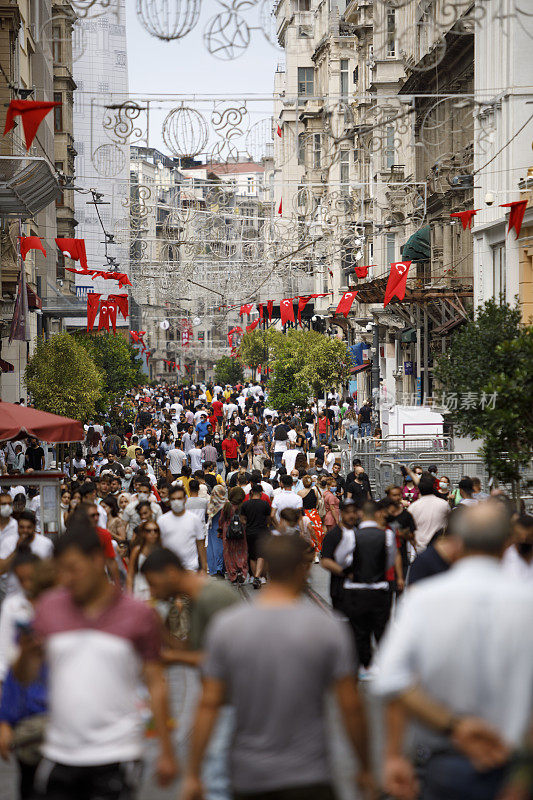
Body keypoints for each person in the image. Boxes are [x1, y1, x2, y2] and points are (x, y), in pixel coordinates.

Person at [180, 535, 373, 800]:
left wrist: (192, 774)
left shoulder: (228, 627)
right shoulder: (328, 628)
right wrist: (365, 767)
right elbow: (350, 706)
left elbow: (209, 704)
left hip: (250, 776)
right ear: (302, 569)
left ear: (267, 566)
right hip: (310, 775)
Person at [374, 502, 533, 800]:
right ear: (506, 544)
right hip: (513, 764)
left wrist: (454, 727)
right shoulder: (527, 602)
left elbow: (390, 679)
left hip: (444, 763)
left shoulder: (424, 600)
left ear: (456, 543)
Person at [13, 524, 178, 799]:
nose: (66, 578)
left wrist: (167, 750)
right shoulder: (49, 609)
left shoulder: (137, 614)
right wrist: (27, 654)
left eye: (73, 568)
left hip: (117, 752)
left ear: (96, 560)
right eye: (60, 570)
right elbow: (25, 675)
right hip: (60, 751)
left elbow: (156, 682)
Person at [140, 547, 238, 666]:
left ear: (171, 574)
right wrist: (160, 628)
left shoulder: (212, 597)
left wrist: (171, 657)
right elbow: (192, 648)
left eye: (153, 584)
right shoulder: (193, 599)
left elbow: (226, 659)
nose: (152, 593)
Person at [342, 501, 398, 673]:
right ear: (377, 514)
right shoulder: (387, 535)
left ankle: (364, 664)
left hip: (356, 588)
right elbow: (390, 560)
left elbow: (344, 560)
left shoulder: (352, 535)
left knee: (360, 630)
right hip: (379, 587)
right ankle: (386, 665)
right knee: (381, 628)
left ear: (361, 514)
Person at [157, 484, 207, 572]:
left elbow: (200, 545)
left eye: (179, 498)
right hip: (169, 569)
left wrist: (203, 568)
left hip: (191, 569)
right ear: (169, 500)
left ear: (185, 499)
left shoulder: (195, 520)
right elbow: (159, 545)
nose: (176, 502)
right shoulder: (162, 521)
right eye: (173, 499)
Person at [320, 499, 358, 610]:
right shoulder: (333, 535)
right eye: (348, 512)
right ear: (341, 513)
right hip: (340, 589)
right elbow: (325, 561)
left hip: (359, 590)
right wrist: (346, 573)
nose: (351, 515)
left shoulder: (359, 532)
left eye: (354, 512)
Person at [408, 473, 450, 552]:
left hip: (419, 547)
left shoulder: (413, 507)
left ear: (419, 489)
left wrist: (415, 545)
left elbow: (409, 531)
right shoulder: (444, 504)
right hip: (439, 548)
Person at [240, 483, 271, 589]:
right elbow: (268, 519)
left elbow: (242, 519)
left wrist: (248, 523)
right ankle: (258, 576)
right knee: (261, 555)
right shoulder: (265, 504)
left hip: (249, 532)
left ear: (251, 492)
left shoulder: (245, 504)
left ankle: (254, 577)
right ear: (261, 493)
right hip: (262, 532)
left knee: (252, 556)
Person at [218, 487, 248, 584]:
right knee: (241, 551)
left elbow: (221, 519)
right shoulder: (243, 506)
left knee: (229, 553)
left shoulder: (227, 506)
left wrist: (220, 531)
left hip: (228, 531)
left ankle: (233, 573)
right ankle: (241, 571)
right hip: (241, 530)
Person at [127, 520, 161, 600]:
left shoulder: (161, 550)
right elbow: (130, 574)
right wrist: (129, 595)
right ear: (143, 533)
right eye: (148, 531)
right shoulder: (137, 551)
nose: (152, 533)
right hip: (140, 590)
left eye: (155, 531)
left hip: (156, 591)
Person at [501, 514, 533, 583]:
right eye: (519, 537)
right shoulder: (503, 559)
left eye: (529, 537)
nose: (523, 540)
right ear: (512, 536)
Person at [206, 486, 227, 578]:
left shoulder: (211, 502)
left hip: (212, 527)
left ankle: (213, 568)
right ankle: (220, 567)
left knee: (211, 548)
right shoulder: (226, 502)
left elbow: (208, 514)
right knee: (220, 547)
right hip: (222, 527)